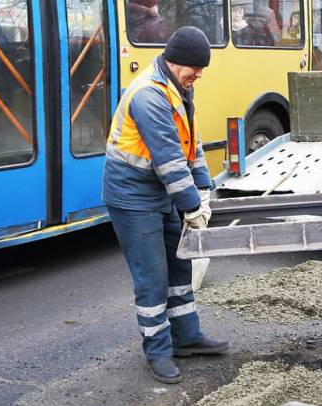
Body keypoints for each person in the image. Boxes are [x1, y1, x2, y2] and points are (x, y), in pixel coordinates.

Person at [102, 26, 229, 385]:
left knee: (179, 267)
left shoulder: (179, 89)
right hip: (132, 196)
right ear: (176, 63)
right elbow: (170, 160)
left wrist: (204, 188)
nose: (200, 74)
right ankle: (158, 351)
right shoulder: (148, 95)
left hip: (158, 192)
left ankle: (187, 337)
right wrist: (191, 206)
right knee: (152, 277)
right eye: (196, 68)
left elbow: (192, 145)